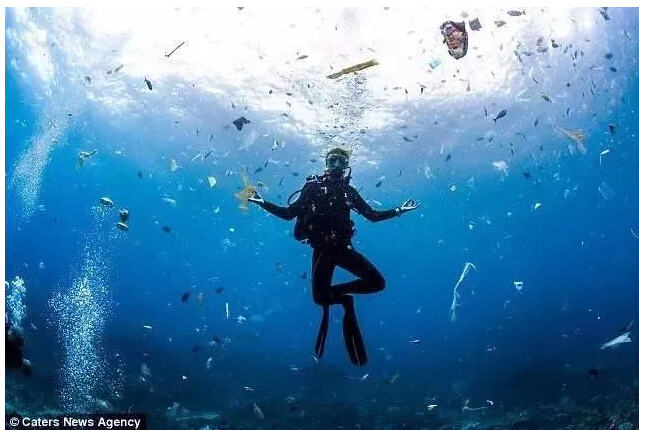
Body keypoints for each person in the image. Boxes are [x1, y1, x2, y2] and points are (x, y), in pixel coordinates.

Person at [248, 147, 419, 366]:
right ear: (326, 164)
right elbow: (288, 214)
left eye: (341, 161)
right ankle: (344, 300)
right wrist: (263, 203)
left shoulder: (349, 192)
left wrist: (398, 210)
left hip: (343, 248)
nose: (337, 165)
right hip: (322, 250)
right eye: (332, 160)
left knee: (377, 282)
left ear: (347, 166)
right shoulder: (312, 188)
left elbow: (372, 216)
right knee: (319, 299)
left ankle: (339, 294)